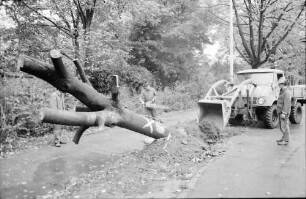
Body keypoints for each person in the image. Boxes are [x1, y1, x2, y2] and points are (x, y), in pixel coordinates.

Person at [276, 77, 291, 145]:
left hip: (284, 112)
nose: (279, 85)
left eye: (280, 84)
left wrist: (284, 113)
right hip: (280, 111)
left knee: (284, 126)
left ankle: (286, 140)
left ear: (283, 84)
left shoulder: (286, 92)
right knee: (282, 126)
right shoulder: (282, 91)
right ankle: (283, 138)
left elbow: (287, 103)